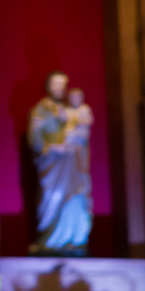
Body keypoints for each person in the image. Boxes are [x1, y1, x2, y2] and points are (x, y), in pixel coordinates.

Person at [27, 72, 92, 256]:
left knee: (75, 197)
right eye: (56, 84)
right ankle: (51, 238)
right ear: (48, 86)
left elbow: (82, 132)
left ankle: (74, 238)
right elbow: (35, 140)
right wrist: (52, 147)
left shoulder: (71, 109)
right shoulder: (40, 111)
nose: (59, 89)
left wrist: (75, 143)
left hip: (72, 165)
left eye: (63, 85)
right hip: (52, 164)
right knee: (53, 196)